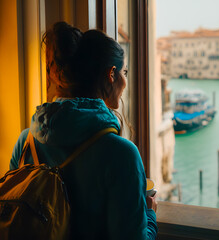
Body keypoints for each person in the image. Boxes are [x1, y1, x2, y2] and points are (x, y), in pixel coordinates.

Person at [9, 22, 158, 239]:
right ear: (111, 74)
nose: (125, 81)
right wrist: (150, 215)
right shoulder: (121, 154)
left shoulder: (25, 143)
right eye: (124, 72)